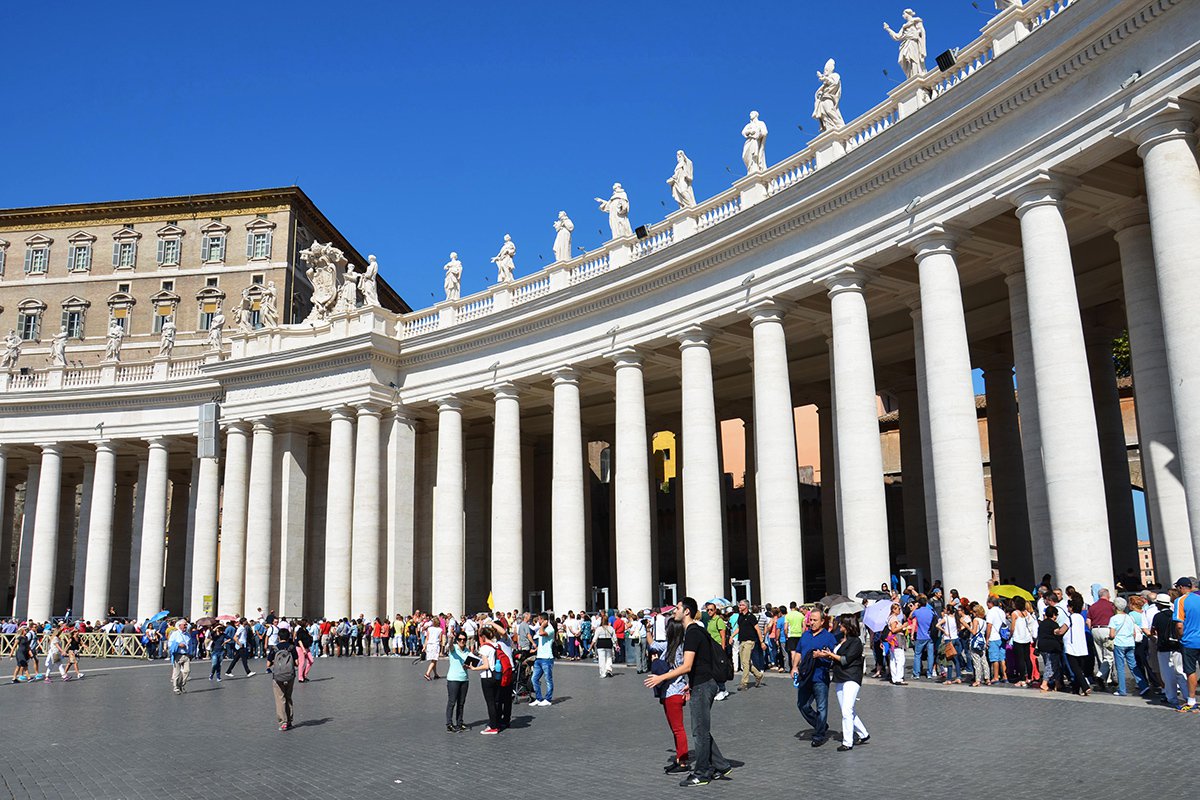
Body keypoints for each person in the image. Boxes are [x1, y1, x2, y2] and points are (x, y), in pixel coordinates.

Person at [645, 598, 732, 788]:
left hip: (702, 685)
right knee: (702, 729)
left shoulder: (692, 633)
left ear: (686, 612)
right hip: (702, 683)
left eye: (677, 608)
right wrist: (691, 683)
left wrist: (661, 678)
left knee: (699, 732)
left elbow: (687, 665)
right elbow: (702, 662)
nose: (674, 611)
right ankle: (722, 765)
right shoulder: (697, 630)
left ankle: (701, 773)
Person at [817, 614, 870, 752]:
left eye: (841, 624)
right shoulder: (841, 640)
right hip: (839, 676)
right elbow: (836, 657)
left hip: (852, 676)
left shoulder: (856, 642)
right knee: (847, 710)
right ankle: (863, 734)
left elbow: (845, 659)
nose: (839, 626)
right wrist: (827, 654)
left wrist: (830, 655)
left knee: (847, 710)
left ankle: (848, 742)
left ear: (848, 626)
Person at [652, 618, 690, 774]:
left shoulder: (679, 649)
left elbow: (682, 668)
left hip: (674, 691)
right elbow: (652, 645)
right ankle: (678, 758)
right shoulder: (671, 647)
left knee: (678, 729)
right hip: (669, 691)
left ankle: (683, 761)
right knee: (675, 729)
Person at [794, 609, 837, 747]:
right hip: (805, 676)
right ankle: (820, 724)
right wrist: (794, 666)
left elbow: (834, 655)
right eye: (810, 620)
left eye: (814, 620)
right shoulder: (805, 635)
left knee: (822, 707)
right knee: (802, 705)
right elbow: (799, 652)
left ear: (822, 621)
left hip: (820, 676)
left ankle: (819, 735)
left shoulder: (829, 637)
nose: (811, 623)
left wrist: (823, 655)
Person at [1109, 596, 1148, 696]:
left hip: (1119, 643)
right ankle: (1143, 684)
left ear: (1115, 607)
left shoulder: (1113, 619)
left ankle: (1122, 690)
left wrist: (1109, 637)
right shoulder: (1129, 617)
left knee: (1120, 667)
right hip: (1130, 643)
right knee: (1133, 665)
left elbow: (1112, 634)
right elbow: (1134, 632)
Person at [1172, 577, 1200, 711]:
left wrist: (1180, 636)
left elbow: (1179, 624)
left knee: (1190, 671)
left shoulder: (1180, 601)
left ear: (1181, 588)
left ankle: (1191, 700)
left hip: (1189, 641)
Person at [470, 626, 505, 734]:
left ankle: (493, 726)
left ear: (483, 636)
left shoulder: (484, 648)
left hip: (487, 677)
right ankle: (497, 723)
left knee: (490, 702)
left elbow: (486, 665)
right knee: (496, 701)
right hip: (497, 675)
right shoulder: (496, 645)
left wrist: (474, 668)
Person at [267, 628, 297, 731]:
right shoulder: (292, 647)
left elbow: (268, 664)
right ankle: (289, 721)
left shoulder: (275, 648)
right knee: (288, 697)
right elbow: (297, 663)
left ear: (278, 637)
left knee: (280, 699)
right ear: (288, 637)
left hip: (278, 677)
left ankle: (283, 722)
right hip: (290, 676)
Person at [1063, 594, 1092, 696]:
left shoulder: (1070, 618)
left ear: (1071, 608)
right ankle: (1076, 688)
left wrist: (1055, 631)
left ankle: (1085, 686)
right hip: (1081, 647)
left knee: (1075, 669)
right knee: (1079, 668)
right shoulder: (1080, 617)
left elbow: (1062, 630)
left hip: (1071, 647)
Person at [1037, 602, 1068, 692]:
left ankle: (1057, 683)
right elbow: (1057, 634)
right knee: (1051, 665)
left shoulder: (1042, 623)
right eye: (1056, 615)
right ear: (1054, 615)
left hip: (1042, 647)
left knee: (1054, 665)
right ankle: (1045, 683)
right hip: (1052, 648)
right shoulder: (1054, 624)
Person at [735, 599, 765, 690]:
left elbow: (758, 630)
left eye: (741, 605)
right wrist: (732, 636)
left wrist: (761, 642)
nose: (739, 607)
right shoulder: (740, 616)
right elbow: (739, 628)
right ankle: (758, 675)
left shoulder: (751, 617)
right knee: (746, 662)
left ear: (746, 607)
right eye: (739, 605)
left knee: (745, 662)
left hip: (750, 641)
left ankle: (744, 683)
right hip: (742, 641)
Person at [446, 632, 471, 732]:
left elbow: (470, 663)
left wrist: (468, 666)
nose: (462, 641)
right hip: (453, 679)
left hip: (464, 679)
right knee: (452, 702)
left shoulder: (467, 651)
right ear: (457, 640)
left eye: (464, 639)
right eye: (460, 639)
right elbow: (450, 645)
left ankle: (459, 722)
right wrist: (450, 639)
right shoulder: (454, 648)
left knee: (461, 703)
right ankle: (449, 723)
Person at [705, 602, 730, 700]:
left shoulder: (718, 620)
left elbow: (723, 636)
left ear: (715, 610)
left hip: (718, 647)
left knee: (718, 669)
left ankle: (722, 689)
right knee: (713, 669)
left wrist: (722, 650)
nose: (709, 611)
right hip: (711, 647)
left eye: (711, 609)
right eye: (708, 610)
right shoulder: (710, 621)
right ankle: (718, 688)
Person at [1010, 598, 1036, 687]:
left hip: (1018, 638)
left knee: (1020, 659)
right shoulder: (1027, 613)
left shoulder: (1014, 613)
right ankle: (1029, 677)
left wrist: (1010, 635)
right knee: (1027, 658)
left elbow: (1012, 627)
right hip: (1026, 638)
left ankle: (1021, 679)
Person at [531, 612, 555, 706]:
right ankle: (539, 698)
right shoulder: (542, 627)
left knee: (548, 679)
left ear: (544, 620)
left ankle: (548, 699)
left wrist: (543, 625)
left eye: (539, 619)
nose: (538, 621)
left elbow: (541, 633)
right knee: (534, 679)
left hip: (547, 658)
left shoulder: (550, 629)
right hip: (539, 657)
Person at [910, 595, 936, 679]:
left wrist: (915, 608)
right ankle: (929, 673)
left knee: (918, 654)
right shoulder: (931, 611)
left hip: (921, 636)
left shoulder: (917, 612)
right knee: (930, 655)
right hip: (930, 636)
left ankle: (916, 673)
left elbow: (910, 617)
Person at [984, 596, 1008, 684]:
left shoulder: (991, 612)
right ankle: (1005, 676)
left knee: (994, 658)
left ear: (990, 603)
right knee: (1002, 658)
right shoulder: (1001, 611)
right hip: (1002, 637)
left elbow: (989, 626)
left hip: (993, 637)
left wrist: (987, 638)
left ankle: (995, 677)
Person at [167, 620, 195, 695]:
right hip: (178, 655)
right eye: (184, 625)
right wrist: (178, 645)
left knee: (187, 671)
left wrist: (191, 653)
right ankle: (176, 687)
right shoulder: (175, 634)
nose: (186, 626)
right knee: (177, 672)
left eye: (186, 625)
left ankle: (181, 685)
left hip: (186, 655)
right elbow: (169, 644)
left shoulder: (188, 634)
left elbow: (191, 644)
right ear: (179, 625)